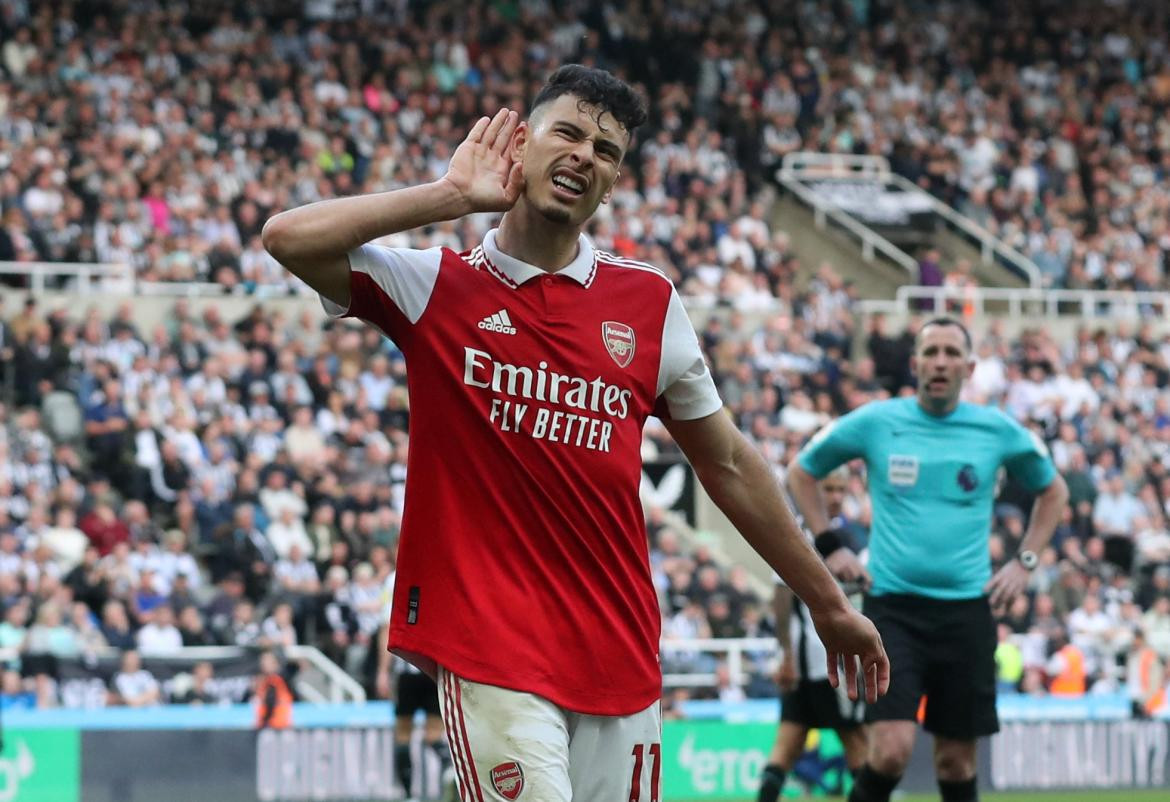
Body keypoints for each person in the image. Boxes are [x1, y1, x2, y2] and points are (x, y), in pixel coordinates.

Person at [264, 64, 887, 800]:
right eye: (567, 133)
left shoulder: (648, 302)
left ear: (614, 181)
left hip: (617, 651)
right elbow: (288, 238)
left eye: (606, 149)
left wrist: (828, 603)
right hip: (487, 641)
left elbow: (726, 462)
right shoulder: (435, 284)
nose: (584, 155)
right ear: (520, 145)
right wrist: (450, 196)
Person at [788, 317, 1069, 802]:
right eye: (932, 352)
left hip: (967, 611)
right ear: (915, 364)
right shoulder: (878, 421)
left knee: (956, 760)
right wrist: (832, 545)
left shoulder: (995, 430)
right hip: (893, 611)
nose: (941, 362)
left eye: (951, 353)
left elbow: (1053, 489)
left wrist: (1025, 560)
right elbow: (801, 472)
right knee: (892, 750)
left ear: (970, 366)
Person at [757, 469, 868, 802]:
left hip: (812, 663)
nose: (834, 496)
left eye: (839, 489)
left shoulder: (834, 536)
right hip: (830, 664)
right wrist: (787, 655)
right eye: (827, 488)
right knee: (856, 742)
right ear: (812, 490)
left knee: (787, 744)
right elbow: (780, 597)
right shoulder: (831, 540)